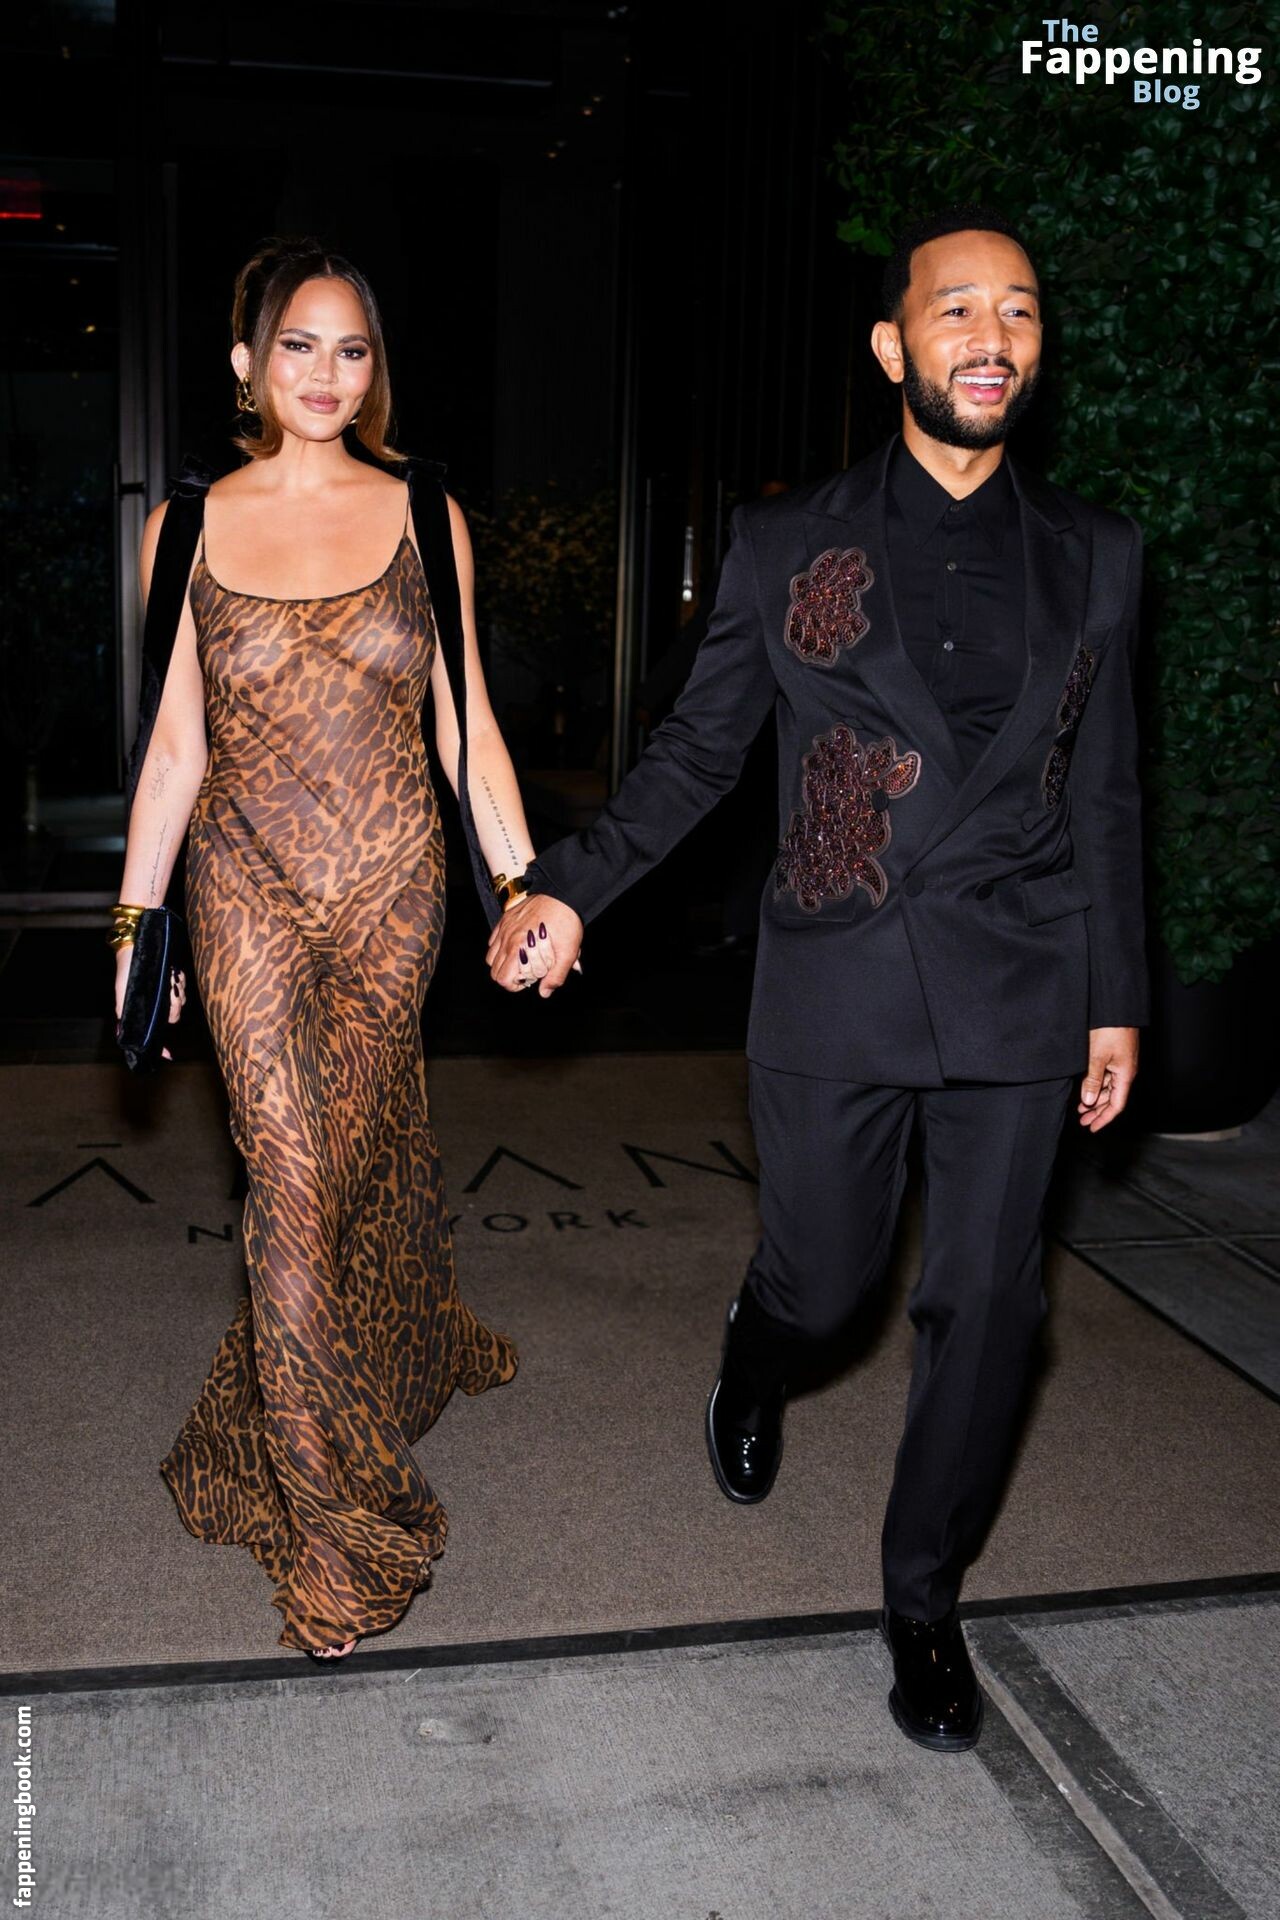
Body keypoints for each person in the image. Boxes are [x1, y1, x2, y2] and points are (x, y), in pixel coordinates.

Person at [488, 206, 1147, 1750]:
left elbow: (1109, 793)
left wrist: (1117, 996)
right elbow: (702, 750)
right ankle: (757, 1344)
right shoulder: (793, 542)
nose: (991, 337)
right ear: (891, 344)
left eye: (1019, 312)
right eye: (958, 309)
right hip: (841, 973)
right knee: (829, 1286)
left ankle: (923, 1601)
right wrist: (572, 887)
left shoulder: (1100, 555)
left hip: (1022, 981)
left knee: (990, 1303)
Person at [113, 238, 556, 1659]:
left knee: (332, 1186)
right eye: (298, 346)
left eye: (351, 349)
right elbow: (174, 750)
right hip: (242, 888)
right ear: (247, 361)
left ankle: (320, 1400)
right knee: (292, 1186)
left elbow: (465, 725)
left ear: (376, 370)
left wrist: (521, 885)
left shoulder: (426, 512)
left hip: (389, 895)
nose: (325, 374)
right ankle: (345, 1529)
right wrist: (136, 927)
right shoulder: (184, 528)